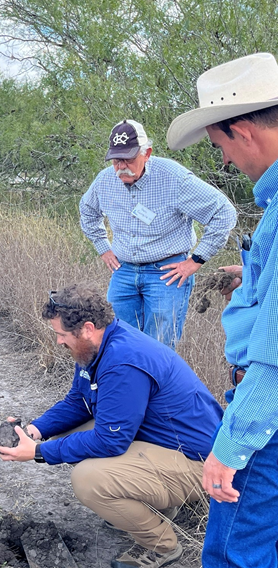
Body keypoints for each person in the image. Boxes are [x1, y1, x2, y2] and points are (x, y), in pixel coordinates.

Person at [0, 285, 223, 568]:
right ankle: (152, 505)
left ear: (87, 328)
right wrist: (34, 432)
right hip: (164, 444)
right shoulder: (100, 346)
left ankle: (161, 546)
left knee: (88, 479)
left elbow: (109, 442)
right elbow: (78, 402)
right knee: (69, 436)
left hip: (200, 463)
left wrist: (39, 452)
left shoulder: (123, 361)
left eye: (61, 335)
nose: (58, 342)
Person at [167, 52, 278, 568]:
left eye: (221, 147)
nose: (227, 163)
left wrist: (230, 450)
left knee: (235, 554)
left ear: (244, 131)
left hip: (265, 419)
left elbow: (275, 363)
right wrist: (252, 277)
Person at [79, 120, 236, 349]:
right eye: (116, 160)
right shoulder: (104, 181)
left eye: (129, 159)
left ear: (147, 153)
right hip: (123, 270)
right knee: (119, 340)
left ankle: (156, 385)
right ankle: (128, 384)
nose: (122, 166)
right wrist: (103, 247)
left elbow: (223, 212)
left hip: (167, 272)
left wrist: (196, 260)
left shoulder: (174, 178)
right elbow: (87, 210)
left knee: (159, 345)